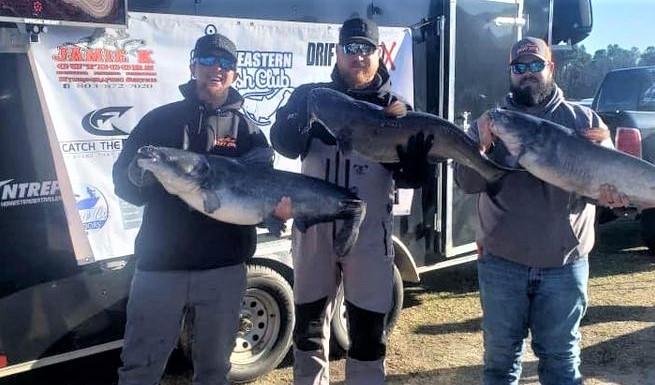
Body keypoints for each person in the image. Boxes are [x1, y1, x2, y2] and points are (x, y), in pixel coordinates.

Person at [112, 32, 285, 385]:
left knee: (214, 371)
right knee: (139, 370)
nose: (215, 69)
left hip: (224, 270)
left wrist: (274, 215)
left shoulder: (250, 133)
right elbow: (124, 184)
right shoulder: (159, 121)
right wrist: (138, 177)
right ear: (193, 67)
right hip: (160, 268)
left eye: (225, 64)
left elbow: (263, 195)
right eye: (207, 61)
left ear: (235, 74)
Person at [454, 37, 628, 385]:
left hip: (565, 264)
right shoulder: (492, 122)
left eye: (536, 65)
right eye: (519, 67)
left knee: (561, 361)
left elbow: (610, 186)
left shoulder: (584, 120)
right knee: (500, 363)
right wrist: (482, 146)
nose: (527, 74)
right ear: (510, 73)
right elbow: (467, 184)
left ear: (551, 68)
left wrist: (613, 198)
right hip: (502, 262)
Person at [270, 17, 432, 385]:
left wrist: (416, 167)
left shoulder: (395, 107)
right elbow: (284, 144)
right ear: (338, 53)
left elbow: (412, 179)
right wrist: (294, 123)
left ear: (379, 54)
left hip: (369, 233)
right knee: (309, 327)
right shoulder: (312, 96)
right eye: (350, 49)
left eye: (366, 49)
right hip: (314, 227)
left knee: (368, 330)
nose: (358, 57)